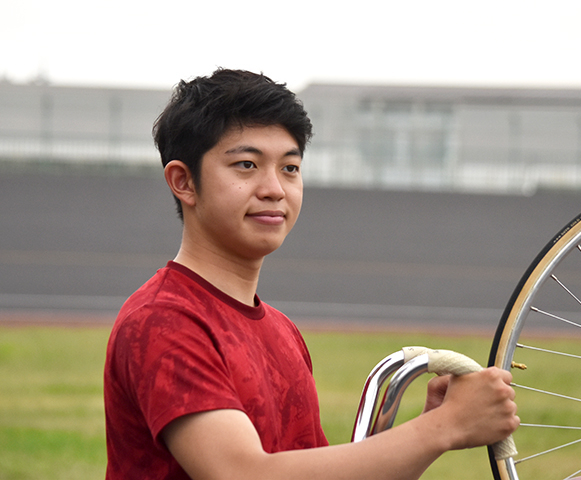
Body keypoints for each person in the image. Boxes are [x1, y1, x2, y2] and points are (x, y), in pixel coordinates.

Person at [103, 68, 519, 480]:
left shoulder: (283, 331)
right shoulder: (164, 320)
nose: (275, 189)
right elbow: (241, 473)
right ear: (184, 181)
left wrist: (434, 422)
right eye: (246, 165)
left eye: (290, 168)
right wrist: (443, 428)